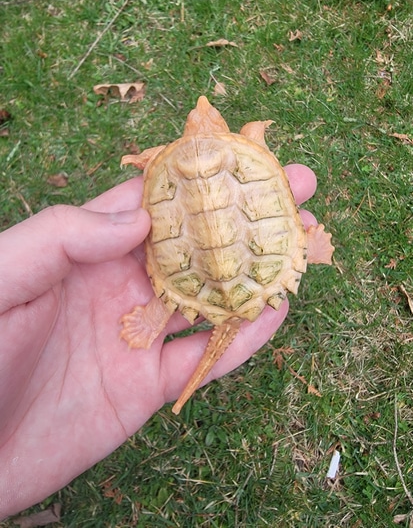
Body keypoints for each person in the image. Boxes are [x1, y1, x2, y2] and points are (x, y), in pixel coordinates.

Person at [0, 164, 318, 520]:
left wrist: (148, 160)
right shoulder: (245, 152)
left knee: (172, 292)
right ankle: (304, 246)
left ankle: (299, 247)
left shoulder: (167, 161)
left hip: (211, 260)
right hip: (241, 261)